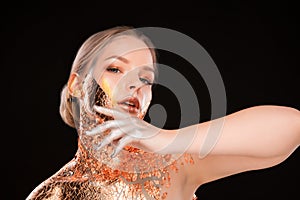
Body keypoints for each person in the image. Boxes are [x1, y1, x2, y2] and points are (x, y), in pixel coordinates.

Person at [26, 25, 300, 200]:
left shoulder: (167, 166)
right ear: (76, 85)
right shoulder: (53, 194)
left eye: (145, 79)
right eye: (115, 69)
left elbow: (292, 126)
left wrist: (165, 139)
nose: (134, 84)